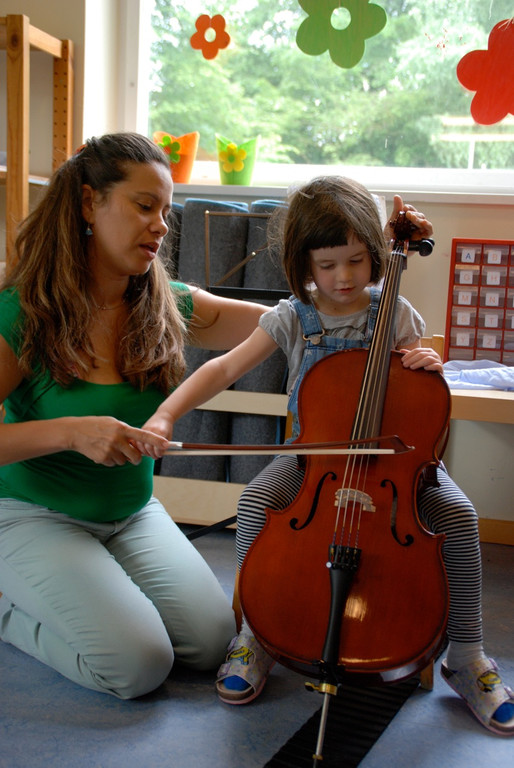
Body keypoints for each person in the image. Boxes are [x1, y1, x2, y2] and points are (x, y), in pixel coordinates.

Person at [140, 175, 514, 735]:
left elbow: (418, 399)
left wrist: (426, 367)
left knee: (459, 517)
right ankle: (256, 637)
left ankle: (466, 654)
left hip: (392, 464)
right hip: (312, 459)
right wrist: (166, 414)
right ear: (304, 265)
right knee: (256, 501)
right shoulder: (293, 316)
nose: (343, 277)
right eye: (327, 264)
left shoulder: (397, 314)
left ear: (375, 257)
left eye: (357, 261)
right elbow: (223, 366)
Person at [0, 132, 270, 699]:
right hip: (30, 513)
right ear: (88, 203)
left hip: (131, 512)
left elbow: (281, 323)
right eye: (145, 206)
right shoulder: (22, 311)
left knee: (212, 642)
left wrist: (368, 313)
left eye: (166, 212)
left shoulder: (166, 302)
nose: (161, 226)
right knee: (138, 665)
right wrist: (71, 433)